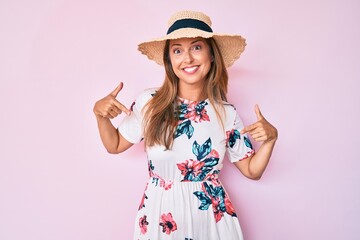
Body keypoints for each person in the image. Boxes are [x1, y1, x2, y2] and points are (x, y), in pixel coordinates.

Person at [93, 10, 278, 240]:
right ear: (169, 60)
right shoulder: (149, 103)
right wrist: (100, 115)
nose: (187, 58)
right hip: (160, 217)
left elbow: (252, 170)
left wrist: (270, 141)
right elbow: (115, 144)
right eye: (177, 50)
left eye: (197, 47)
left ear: (211, 55)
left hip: (212, 222)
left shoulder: (226, 113)